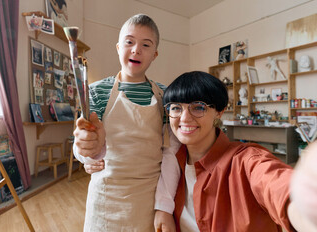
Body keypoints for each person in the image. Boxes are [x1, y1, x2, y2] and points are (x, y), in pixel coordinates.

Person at [155, 71, 317, 232]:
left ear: (219, 111)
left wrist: (306, 208)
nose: (184, 118)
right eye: (176, 108)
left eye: (198, 107)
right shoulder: (171, 162)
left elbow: (280, 189)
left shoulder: (246, 161)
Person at [73, 14, 180, 231]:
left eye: (145, 45)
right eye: (129, 42)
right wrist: (85, 150)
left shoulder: (165, 95)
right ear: (118, 47)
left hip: (148, 199)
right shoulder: (96, 91)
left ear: (154, 55)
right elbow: (83, 146)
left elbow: (170, 152)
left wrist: (164, 206)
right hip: (105, 198)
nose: (136, 49)